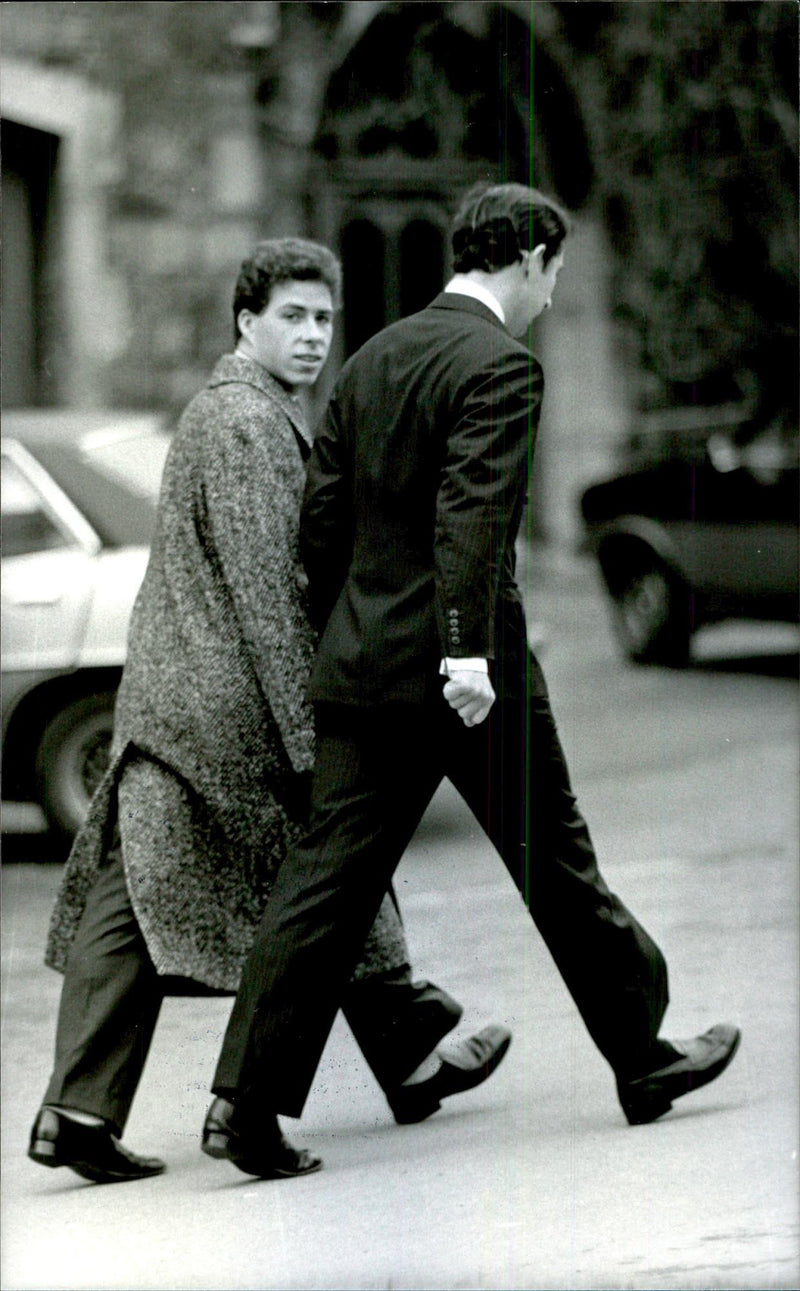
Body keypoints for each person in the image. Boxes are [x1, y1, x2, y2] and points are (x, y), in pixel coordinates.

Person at [208, 184, 741, 1179]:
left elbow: (321, 528)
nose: (551, 291)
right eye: (554, 272)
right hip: (467, 677)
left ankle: (243, 1107)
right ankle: (641, 1058)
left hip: (366, 665)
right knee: (556, 864)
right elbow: (473, 518)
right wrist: (460, 654)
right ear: (532, 257)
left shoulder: (370, 361)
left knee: (324, 885)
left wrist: (357, 631)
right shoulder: (498, 363)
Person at [27, 238, 512, 1186]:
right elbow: (267, 591)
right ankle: (403, 1045)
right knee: (329, 867)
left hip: (174, 702)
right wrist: (309, 731)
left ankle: (77, 1113)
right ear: (245, 323)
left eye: (324, 319)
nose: (312, 337)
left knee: (141, 902)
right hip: (224, 709)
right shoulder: (246, 422)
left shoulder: (230, 413)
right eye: (291, 317)